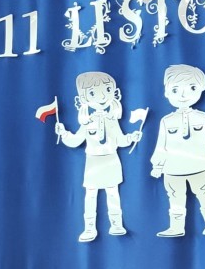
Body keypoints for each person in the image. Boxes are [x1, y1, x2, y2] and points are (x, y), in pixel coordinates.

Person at [151, 64, 205, 237]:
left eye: (191, 88)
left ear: (201, 89)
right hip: (173, 170)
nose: (183, 95)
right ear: (167, 93)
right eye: (176, 90)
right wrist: (157, 166)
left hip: (199, 168)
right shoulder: (166, 121)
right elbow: (161, 146)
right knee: (175, 200)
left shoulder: (202, 117)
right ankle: (176, 227)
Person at [55, 70, 141, 242]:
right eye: (93, 93)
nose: (102, 97)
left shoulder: (112, 120)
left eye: (107, 90)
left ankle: (116, 224)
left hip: (111, 160)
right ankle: (89, 228)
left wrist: (132, 137)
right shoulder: (87, 123)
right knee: (91, 195)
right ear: (84, 98)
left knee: (113, 193)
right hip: (93, 162)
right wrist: (63, 133)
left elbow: (121, 140)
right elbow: (75, 141)